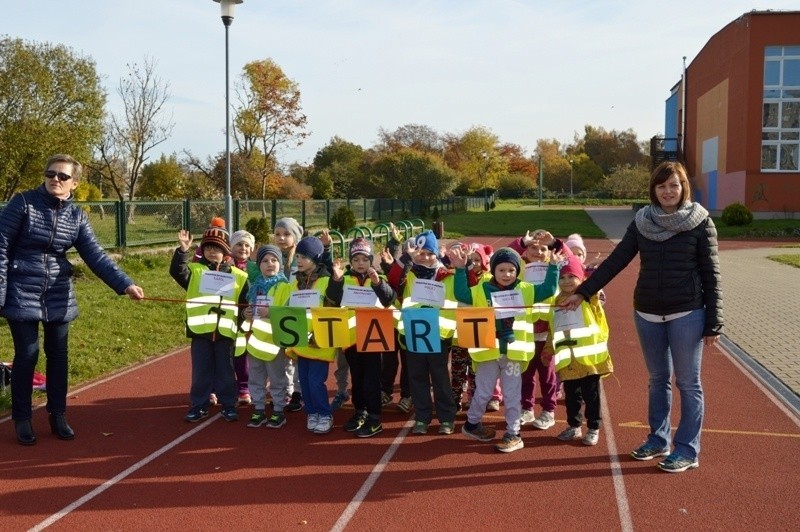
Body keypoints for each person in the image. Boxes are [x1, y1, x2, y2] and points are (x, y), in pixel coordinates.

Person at [562, 161, 723, 473]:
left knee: (688, 382)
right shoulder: (642, 222)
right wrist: (583, 292)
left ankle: (688, 449)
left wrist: (714, 320)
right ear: (654, 189)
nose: (667, 191)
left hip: (687, 311)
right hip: (647, 312)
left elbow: (711, 274)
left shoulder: (700, 222)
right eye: (661, 186)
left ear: (683, 187)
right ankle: (658, 439)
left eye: (673, 185)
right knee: (657, 379)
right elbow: (618, 260)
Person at [0, 154, 145, 446]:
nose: (55, 179)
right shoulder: (23, 203)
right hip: (21, 288)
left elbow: (95, 256)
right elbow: (0, 246)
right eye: (50, 173)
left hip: (58, 293)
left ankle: (58, 414)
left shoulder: (77, 216)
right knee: (27, 355)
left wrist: (125, 284)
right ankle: (23, 418)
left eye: (63, 176)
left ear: (74, 183)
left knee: (59, 357)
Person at [450, 247, 539, 453]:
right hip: (488, 352)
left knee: (511, 394)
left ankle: (514, 433)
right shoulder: (482, 289)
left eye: (511, 270)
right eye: (501, 270)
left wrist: (553, 266)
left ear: (517, 271)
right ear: (493, 271)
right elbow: (461, 293)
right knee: (482, 392)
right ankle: (472, 425)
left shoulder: (525, 289)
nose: (506, 274)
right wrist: (461, 269)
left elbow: (547, 289)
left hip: (512, 354)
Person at [170, 218, 250, 423]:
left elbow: (244, 303)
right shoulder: (195, 271)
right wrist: (182, 252)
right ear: (203, 250)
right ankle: (199, 405)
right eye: (209, 248)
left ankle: (229, 405)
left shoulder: (239, 276)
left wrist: (244, 320)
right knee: (201, 373)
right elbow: (177, 272)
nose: (213, 252)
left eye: (218, 248)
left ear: (226, 253)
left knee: (226, 371)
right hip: (201, 333)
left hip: (226, 333)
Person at [387, 230, 457, 435]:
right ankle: (422, 417)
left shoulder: (447, 274)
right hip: (413, 333)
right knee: (417, 377)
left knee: (440, 378)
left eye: (429, 253)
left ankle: (446, 417)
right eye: (420, 253)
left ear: (436, 254)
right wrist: (406, 257)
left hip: (439, 334)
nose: (425, 257)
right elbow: (392, 281)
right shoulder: (408, 273)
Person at [326, 238, 396, 438]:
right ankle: (360, 412)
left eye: (364, 259)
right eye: (356, 259)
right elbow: (332, 299)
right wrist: (336, 281)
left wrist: (377, 283)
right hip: (351, 338)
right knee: (357, 378)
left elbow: (390, 299)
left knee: (372, 379)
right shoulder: (344, 277)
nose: (360, 263)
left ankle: (374, 418)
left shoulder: (378, 276)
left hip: (374, 338)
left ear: (370, 260)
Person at [545, 255, 613, 446]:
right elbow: (553, 328)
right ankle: (574, 426)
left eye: (571, 277)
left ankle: (593, 427)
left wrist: (591, 272)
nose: (566, 282)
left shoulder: (589, 296)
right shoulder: (555, 302)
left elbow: (596, 284)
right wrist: (548, 349)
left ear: (581, 278)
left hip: (589, 359)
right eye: (562, 277)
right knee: (572, 396)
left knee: (591, 396)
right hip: (568, 361)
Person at [509, 230, 564, 431]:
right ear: (525, 251)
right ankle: (527, 407)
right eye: (533, 247)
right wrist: (522, 241)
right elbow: (506, 254)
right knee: (526, 373)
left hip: (547, 331)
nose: (538, 252)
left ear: (550, 252)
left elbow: (572, 261)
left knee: (547, 374)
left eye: (543, 249)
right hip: (524, 330)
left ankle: (549, 410)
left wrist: (556, 242)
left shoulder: (555, 266)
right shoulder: (519, 267)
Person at [237, 244, 293, 429]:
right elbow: (251, 309)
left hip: (275, 343)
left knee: (277, 379)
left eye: (274, 260)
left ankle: (278, 410)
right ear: (259, 265)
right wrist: (246, 313)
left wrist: (270, 313)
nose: (270, 264)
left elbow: (289, 312)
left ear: (281, 263)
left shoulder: (285, 286)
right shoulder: (255, 287)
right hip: (255, 341)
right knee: (256, 377)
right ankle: (258, 408)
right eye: (265, 261)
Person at [285, 236, 337, 434]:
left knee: (316, 381)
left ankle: (325, 414)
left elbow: (333, 308)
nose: (298, 260)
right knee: (304, 382)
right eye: (297, 255)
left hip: (319, 342)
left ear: (315, 258)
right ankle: (312, 411)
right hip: (300, 341)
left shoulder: (326, 281)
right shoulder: (294, 284)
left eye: (304, 256)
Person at [229, 229, 258, 406]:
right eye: (239, 244)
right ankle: (219, 388)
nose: (243, 248)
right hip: (227, 316)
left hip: (249, 316)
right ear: (232, 247)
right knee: (226, 355)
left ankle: (243, 388)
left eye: (247, 245)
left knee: (243, 354)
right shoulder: (224, 265)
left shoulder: (254, 267)